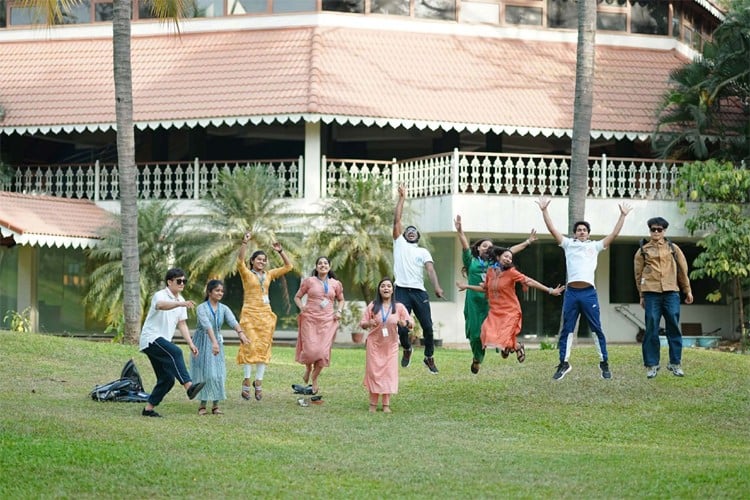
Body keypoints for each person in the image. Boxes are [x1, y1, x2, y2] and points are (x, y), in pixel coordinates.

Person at [537, 196, 632, 380]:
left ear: (588, 233)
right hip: (572, 293)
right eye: (579, 230)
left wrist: (622, 216)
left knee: (596, 328)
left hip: (589, 293)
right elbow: (552, 229)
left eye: (584, 230)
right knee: (568, 329)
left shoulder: (595, 246)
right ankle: (564, 363)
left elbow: (613, 235)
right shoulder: (568, 244)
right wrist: (544, 211)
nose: (581, 232)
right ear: (574, 233)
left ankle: (604, 363)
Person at [454, 214, 538, 374]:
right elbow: (465, 246)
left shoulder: (495, 263)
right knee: (475, 334)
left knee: (498, 331)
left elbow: (510, 251)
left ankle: (513, 346)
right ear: (478, 248)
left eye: (490, 247)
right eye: (484, 246)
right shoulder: (470, 261)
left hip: (491, 303)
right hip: (473, 302)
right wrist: (460, 232)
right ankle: (477, 358)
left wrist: (527, 242)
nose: (487, 248)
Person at [457, 246, 564, 370]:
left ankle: (510, 346)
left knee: (504, 337)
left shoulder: (512, 272)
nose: (508, 259)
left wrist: (550, 290)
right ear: (498, 257)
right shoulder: (490, 271)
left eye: (510, 258)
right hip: (495, 311)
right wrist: (467, 286)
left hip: (510, 311)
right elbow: (485, 288)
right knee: (486, 333)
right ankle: (517, 346)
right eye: (506, 256)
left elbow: (529, 281)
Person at [139, 268, 205, 417]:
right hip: (151, 338)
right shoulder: (160, 295)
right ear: (169, 282)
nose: (182, 284)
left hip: (161, 342)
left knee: (167, 379)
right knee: (175, 351)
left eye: (184, 281)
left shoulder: (181, 300)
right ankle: (189, 387)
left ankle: (148, 409)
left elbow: (182, 324)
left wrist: (191, 343)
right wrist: (180, 304)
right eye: (179, 281)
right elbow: (161, 306)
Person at [392, 184, 444, 374]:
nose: (411, 231)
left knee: (428, 328)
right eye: (408, 230)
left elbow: (430, 270)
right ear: (404, 235)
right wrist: (402, 198)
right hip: (401, 291)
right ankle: (407, 349)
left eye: (414, 231)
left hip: (419, 292)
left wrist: (437, 287)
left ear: (418, 236)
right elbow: (396, 220)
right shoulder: (399, 244)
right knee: (403, 328)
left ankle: (429, 357)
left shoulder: (423, 251)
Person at [236, 231, 293, 401]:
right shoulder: (247, 273)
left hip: (265, 315)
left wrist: (280, 251)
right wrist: (244, 243)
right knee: (248, 346)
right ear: (252, 261)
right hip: (249, 314)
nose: (262, 262)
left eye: (264, 260)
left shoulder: (268, 275)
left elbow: (289, 267)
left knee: (264, 347)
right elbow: (239, 261)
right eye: (258, 259)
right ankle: (246, 380)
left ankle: (258, 382)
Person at [634, 217, 693, 379]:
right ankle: (652, 365)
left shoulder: (673, 248)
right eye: (653, 229)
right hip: (651, 293)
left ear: (664, 231)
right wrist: (641, 295)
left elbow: (682, 270)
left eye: (659, 230)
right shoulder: (642, 250)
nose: (656, 232)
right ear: (650, 230)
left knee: (673, 325)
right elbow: (638, 275)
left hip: (671, 292)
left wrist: (687, 290)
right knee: (651, 326)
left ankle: (675, 363)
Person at [190, 279, 249, 415]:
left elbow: (233, 321)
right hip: (203, 342)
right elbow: (207, 325)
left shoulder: (224, 308)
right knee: (206, 373)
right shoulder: (201, 308)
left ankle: (216, 405)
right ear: (209, 292)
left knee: (218, 374)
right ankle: (202, 405)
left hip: (217, 342)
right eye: (217, 290)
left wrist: (241, 334)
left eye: (222, 291)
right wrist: (214, 342)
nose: (220, 293)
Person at [293, 256, 346, 395]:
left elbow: (341, 299)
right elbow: (297, 297)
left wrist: (339, 311)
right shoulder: (309, 281)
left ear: (329, 266)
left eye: (325, 263)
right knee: (310, 350)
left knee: (322, 353)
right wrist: (301, 307)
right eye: (320, 263)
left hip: (327, 320)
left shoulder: (335, 284)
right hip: (309, 319)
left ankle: (314, 379)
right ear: (316, 267)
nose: (323, 265)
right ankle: (308, 368)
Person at [359, 277, 412, 413]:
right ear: (379, 289)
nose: (386, 288)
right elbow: (363, 323)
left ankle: (386, 404)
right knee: (374, 373)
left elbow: (411, 323)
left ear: (393, 290)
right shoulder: (373, 305)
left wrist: (404, 323)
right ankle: (372, 403)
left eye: (388, 286)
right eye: (383, 286)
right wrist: (369, 323)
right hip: (374, 345)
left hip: (391, 345)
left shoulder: (399, 307)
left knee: (389, 373)